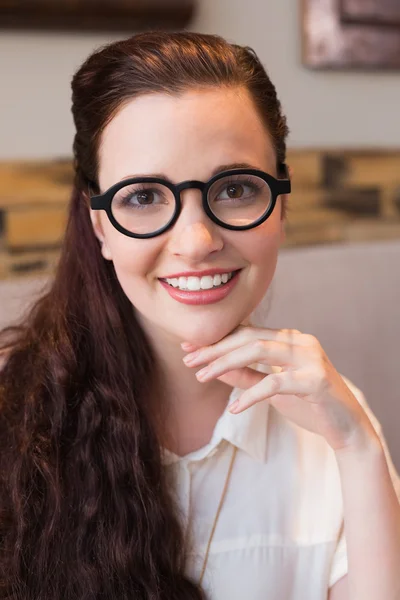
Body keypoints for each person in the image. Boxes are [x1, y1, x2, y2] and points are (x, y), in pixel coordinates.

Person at [0, 31, 399, 600]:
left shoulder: (332, 423)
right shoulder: (12, 406)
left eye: (235, 188)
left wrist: (359, 448)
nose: (195, 241)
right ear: (100, 227)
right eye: (143, 197)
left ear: (281, 207)